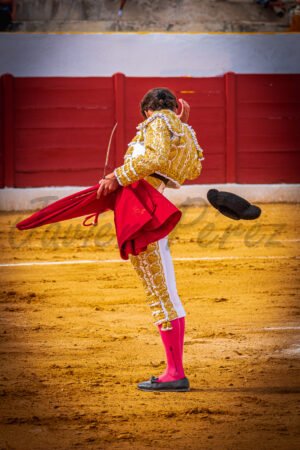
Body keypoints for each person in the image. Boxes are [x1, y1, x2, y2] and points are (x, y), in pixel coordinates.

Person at [97, 88, 204, 392]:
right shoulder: (178, 130)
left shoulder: (156, 123)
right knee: (161, 292)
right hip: (149, 211)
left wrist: (116, 176)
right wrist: (181, 129)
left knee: (162, 295)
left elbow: (154, 157)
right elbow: (192, 168)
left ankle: (175, 373)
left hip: (145, 216)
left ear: (146, 110)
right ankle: (174, 369)